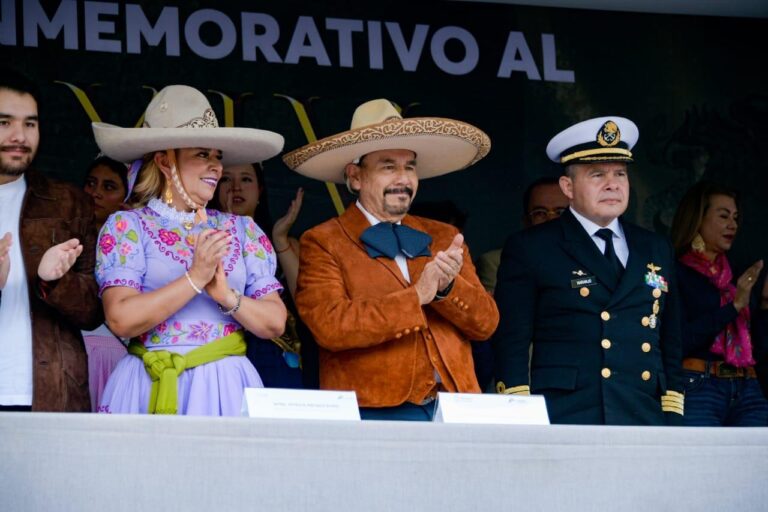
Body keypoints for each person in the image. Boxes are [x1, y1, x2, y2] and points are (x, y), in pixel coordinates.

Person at [283, 98, 499, 421]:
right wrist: (416, 296)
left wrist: (447, 289)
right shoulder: (323, 241)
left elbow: (486, 324)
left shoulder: (443, 235)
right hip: (374, 411)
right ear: (355, 177)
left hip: (457, 409)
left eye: (409, 167)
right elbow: (331, 327)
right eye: (388, 166)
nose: (403, 178)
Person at [92, 84, 287, 415]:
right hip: (147, 382)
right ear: (165, 161)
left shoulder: (243, 229)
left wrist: (227, 297)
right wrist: (194, 279)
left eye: (217, 156)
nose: (216, 167)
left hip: (224, 388)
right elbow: (120, 319)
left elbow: (275, 323)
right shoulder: (128, 227)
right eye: (202, 154)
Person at [493, 116, 685, 425]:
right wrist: (518, 412)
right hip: (569, 411)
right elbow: (511, 340)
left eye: (620, 174)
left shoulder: (655, 247)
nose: (612, 184)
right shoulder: (533, 246)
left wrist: (672, 407)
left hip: (643, 410)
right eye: (597, 174)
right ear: (567, 186)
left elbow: (670, 338)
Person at [0, 68, 102, 412]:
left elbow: (94, 311)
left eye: (30, 123)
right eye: (5, 122)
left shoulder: (69, 202)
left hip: (51, 394)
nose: (19, 135)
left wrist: (54, 281)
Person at [669, 181, 768, 426]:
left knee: (757, 462)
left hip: (748, 385)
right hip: (699, 384)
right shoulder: (676, 272)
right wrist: (732, 307)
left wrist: (764, 306)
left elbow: (760, 349)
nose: (732, 225)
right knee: (700, 463)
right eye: (723, 216)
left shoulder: (737, 275)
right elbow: (679, 340)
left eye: (735, 217)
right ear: (697, 219)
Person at [213, 162, 314, 389]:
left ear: (260, 190)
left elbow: (307, 303)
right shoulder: (202, 238)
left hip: (276, 354)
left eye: (246, 179)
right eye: (227, 179)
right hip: (220, 351)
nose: (236, 188)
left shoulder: (284, 242)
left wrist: (279, 240)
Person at [81, 155, 130, 411]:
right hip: (74, 352)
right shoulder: (65, 236)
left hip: (116, 354)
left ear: (126, 198)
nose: (95, 193)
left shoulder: (132, 245)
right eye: (91, 183)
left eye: (108, 187)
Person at [476, 176, 569, 293]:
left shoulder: (588, 253)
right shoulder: (494, 263)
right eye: (540, 213)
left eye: (560, 212)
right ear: (526, 221)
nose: (550, 219)